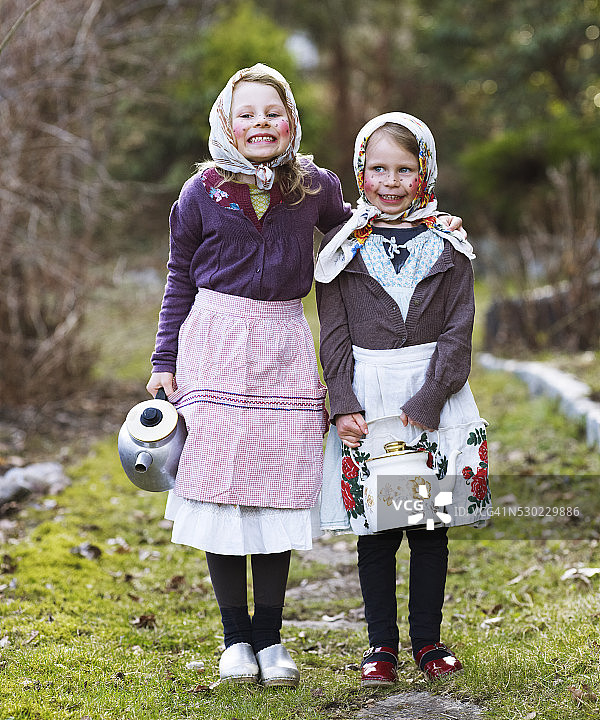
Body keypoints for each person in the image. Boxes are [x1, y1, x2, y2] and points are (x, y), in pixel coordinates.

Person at [147, 65, 465, 688]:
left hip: (285, 352)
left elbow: (363, 228)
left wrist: (434, 226)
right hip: (214, 348)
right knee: (223, 493)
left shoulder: (312, 187)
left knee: (274, 492)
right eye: (247, 114)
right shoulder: (199, 191)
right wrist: (164, 363)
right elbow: (178, 276)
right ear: (225, 123)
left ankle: (271, 640)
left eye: (273, 112)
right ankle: (235, 639)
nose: (260, 124)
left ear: (291, 119)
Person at [315, 112, 489, 686]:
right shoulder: (344, 250)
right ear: (360, 171)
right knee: (379, 528)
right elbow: (334, 333)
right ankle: (381, 648)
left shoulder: (450, 243)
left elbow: (460, 329)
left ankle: (428, 641)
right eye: (378, 168)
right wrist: (342, 400)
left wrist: (433, 394)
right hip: (372, 393)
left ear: (425, 174)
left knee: (428, 525)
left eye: (405, 170)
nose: (390, 182)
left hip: (433, 388)